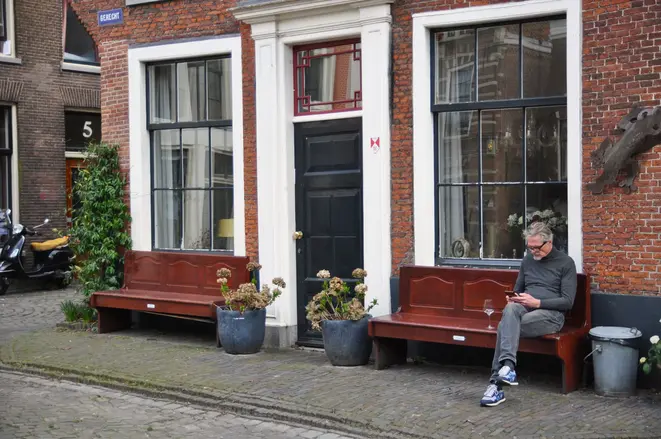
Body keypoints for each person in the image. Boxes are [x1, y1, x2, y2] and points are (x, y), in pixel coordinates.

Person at [480, 222, 577, 407]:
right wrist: (513, 298)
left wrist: (537, 303)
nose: (533, 251)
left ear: (549, 242)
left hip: (551, 315)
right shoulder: (527, 260)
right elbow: (518, 290)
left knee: (504, 327)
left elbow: (567, 301)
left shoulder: (566, 263)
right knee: (510, 309)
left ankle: (495, 385)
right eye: (530, 247)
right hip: (524, 310)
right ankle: (508, 368)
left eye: (536, 247)